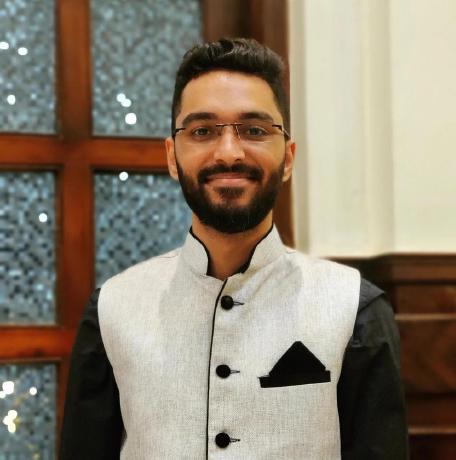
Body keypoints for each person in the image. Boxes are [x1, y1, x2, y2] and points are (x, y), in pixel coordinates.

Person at [60, 38, 408, 459]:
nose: (228, 152)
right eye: (202, 131)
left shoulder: (355, 309)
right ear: (172, 156)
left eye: (254, 130)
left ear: (288, 157)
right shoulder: (112, 308)